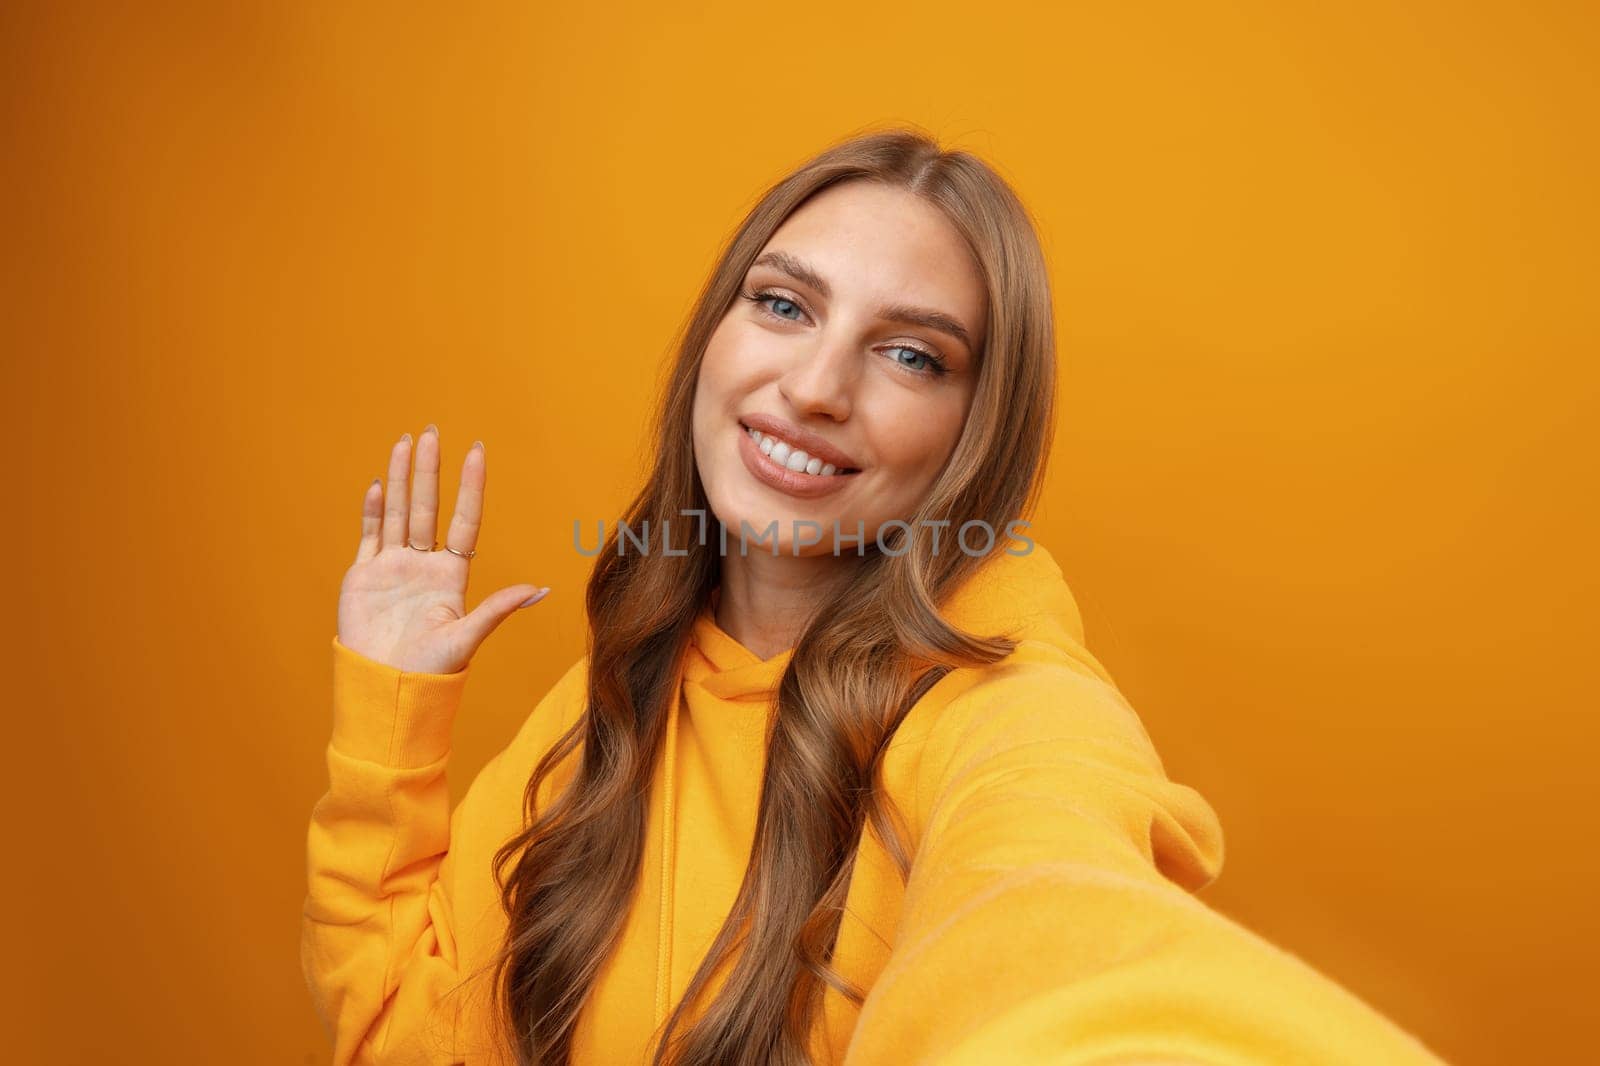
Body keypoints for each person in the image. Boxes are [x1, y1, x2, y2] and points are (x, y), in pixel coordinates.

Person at [300, 129, 1446, 1066]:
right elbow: (401, 1033)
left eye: (911, 356)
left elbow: (1060, 921)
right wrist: (390, 726)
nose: (812, 388)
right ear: (714, 335)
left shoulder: (1005, 715)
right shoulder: (615, 697)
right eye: (785, 306)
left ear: (974, 433)